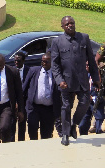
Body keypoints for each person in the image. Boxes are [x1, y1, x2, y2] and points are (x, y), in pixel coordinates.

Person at [51, 16, 100, 146]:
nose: (70, 25)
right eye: (67, 24)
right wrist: (59, 80)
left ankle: (74, 124)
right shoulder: (57, 42)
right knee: (66, 106)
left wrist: (96, 79)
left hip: (82, 80)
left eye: (72, 23)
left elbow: (92, 60)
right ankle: (65, 134)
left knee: (84, 103)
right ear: (62, 27)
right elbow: (55, 64)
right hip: (66, 81)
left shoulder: (84, 37)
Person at [23, 53, 61, 140]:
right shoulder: (33, 71)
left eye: (46, 62)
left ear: (51, 62)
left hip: (49, 109)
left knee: (47, 133)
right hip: (34, 107)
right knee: (32, 129)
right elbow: (24, 88)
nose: (43, 63)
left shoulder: (56, 73)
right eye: (42, 61)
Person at [79, 62, 105, 135]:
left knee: (99, 125)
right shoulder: (83, 75)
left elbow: (102, 90)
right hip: (86, 104)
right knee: (82, 125)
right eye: (85, 65)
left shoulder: (100, 76)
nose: (86, 66)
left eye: (88, 65)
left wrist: (93, 97)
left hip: (97, 102)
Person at [10, 51, 30, 142]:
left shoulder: (29, 71)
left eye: (19, 60)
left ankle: (21, 141)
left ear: (23, 61)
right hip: (13, 102)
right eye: (15, 61)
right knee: (12, 123)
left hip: (25, 101)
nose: (16, 62)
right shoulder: (11, 71)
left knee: (22, 123)